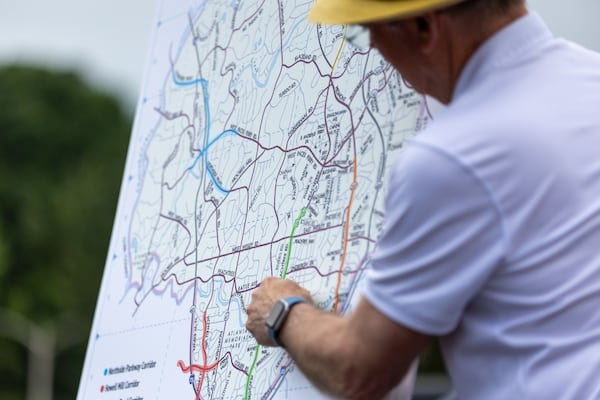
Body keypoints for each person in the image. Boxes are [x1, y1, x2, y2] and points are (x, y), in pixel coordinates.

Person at [245, 0, 600, 398]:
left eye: (370, 31)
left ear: (422, 27)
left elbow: (359, 370)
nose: (374, 49)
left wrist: (282, 312)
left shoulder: (455, 155)